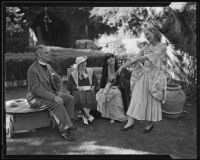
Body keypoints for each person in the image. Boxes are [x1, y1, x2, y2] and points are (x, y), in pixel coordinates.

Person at [117, 26, 168, 133]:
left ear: (154, 33)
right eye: (145, 35)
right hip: (144, 75)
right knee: (135, 96)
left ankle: (150, 123)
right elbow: (134, 58)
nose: (147, 37)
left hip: (155, 78)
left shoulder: (162, 47)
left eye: (148, 34)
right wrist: (121, 67)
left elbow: (152, 56)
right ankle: (130, 122)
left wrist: (139, 58)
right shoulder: (146, 47)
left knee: (151, 100)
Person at [26, 45, 77, 141]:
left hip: (50, 94)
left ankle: (68, 123)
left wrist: (58, 92)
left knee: (70, 98)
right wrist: (54, 97)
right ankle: (64, 131)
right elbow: (37, 90)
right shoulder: (32, 70)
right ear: (39, 55)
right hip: (35, 98)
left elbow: (58, 79)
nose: (49, 54)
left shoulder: (48, 66)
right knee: (58, 103)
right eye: (46, 53)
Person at [96, 54, 128, 123]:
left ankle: (116, 116)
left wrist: (116, 84)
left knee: (116, 94)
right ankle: (111, 116)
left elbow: (122, 81)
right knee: (103, 95)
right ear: (106, 61)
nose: (111, 59)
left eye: (112, 57)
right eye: (109, 58)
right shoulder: (105, 69)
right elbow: (103, 82)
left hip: (117, 87)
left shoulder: (118, 68)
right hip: (107, 87)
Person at [67, 56, 98, 125]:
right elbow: (70, 85)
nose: (83, 64)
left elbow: (95, 81)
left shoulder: (90, 71)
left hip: (89, 89)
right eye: (81, 63)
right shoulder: (73, 74)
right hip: (78, 90)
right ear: (78, 65)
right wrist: (78, 88)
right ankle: (88, 115)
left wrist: (93, 86)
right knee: (79, 95)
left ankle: (85, 116)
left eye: (84, 62)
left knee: (91, 93)